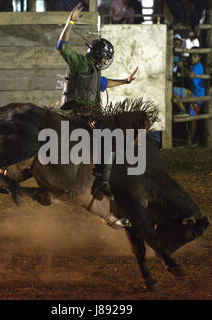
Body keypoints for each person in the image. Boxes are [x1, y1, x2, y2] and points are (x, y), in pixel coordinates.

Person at [57, 3, 138, 200]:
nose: (106, 61)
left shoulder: (93, 69)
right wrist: (70, 22)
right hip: (79, 112)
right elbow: (62, 47)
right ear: (100, 56)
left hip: (89, 113)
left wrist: (124, 81)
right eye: (106, 58)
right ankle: (102, 181)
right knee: (109, 135)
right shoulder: (82, 63)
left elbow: (102, 83)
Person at [173, 49, 205, 146]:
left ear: (200, 58)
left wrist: (181, 67)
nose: (192, 58)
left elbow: (191, 75)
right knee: (172, 90)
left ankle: (190, 141)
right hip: (192, 93)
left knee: (192, 118)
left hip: (197, 96)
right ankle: (183, 110)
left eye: (195, 56)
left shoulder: (198, 66)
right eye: (191, 55)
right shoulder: (194, 65)